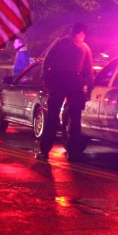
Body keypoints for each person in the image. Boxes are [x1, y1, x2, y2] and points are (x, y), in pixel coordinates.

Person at [37, 23, 94, 160]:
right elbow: (89, 70)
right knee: (75, 119)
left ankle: (45, 150)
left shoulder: (59, 42)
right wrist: (89, 89)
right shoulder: (85, 48)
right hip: (75, 82)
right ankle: (73, 152)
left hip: (58, 80)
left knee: (52, 116)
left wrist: (46, 80)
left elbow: (47, 61)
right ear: (81, 33)